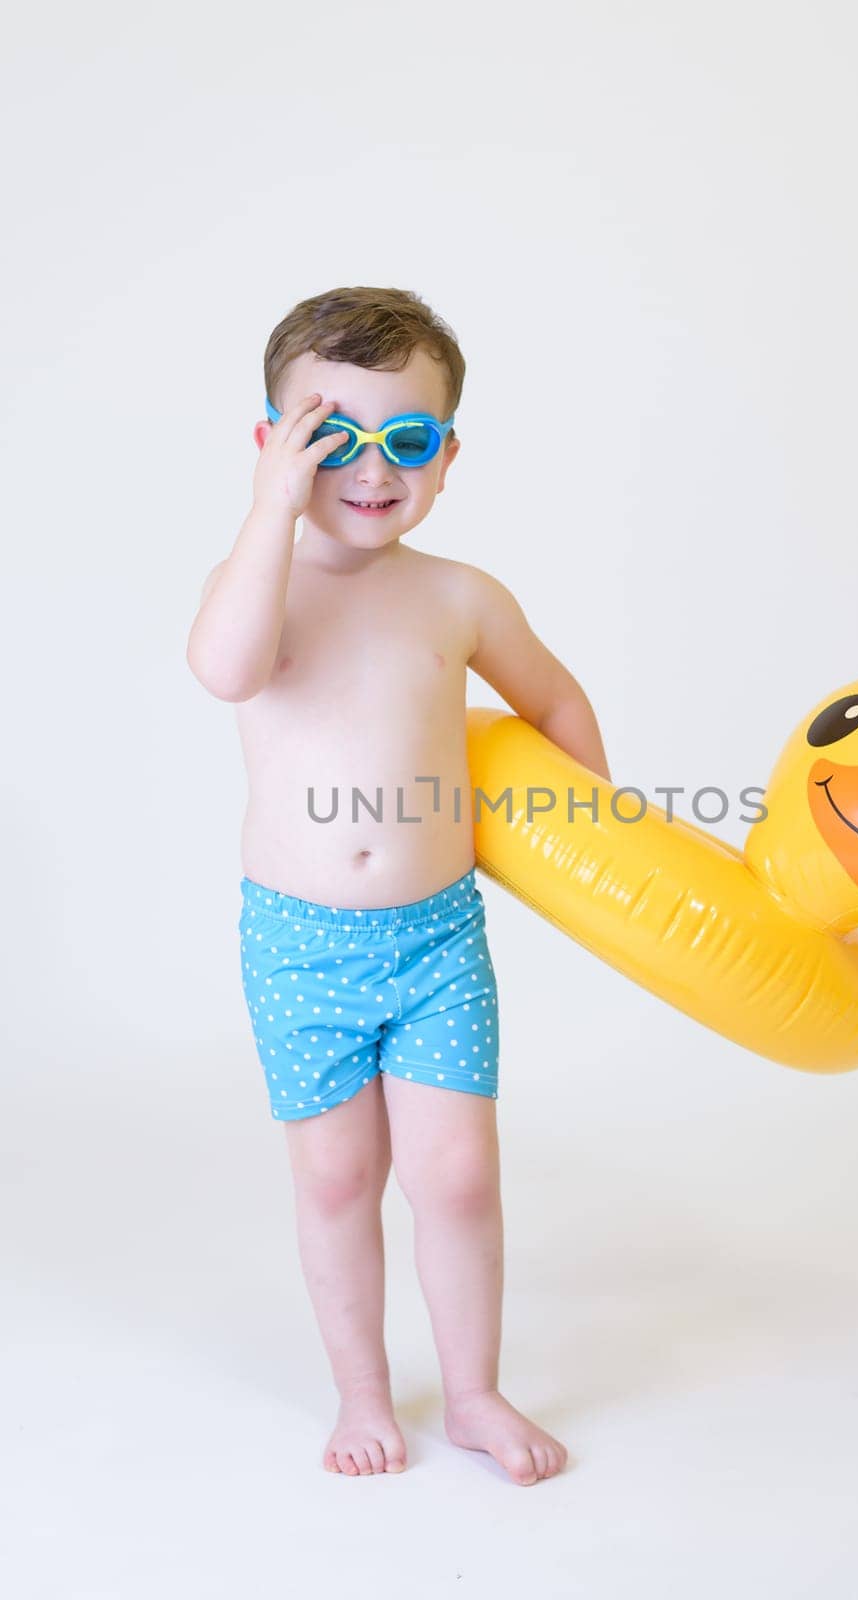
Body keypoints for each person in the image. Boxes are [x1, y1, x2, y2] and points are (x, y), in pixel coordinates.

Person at [186, 286, 611, 1487]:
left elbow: (558, 700)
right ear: (274, 444)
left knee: (459, 1173)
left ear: (447, 455)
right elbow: (224, 670)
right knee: (334, 1175)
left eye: (405, 440)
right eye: (330, 437)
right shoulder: (261, 588)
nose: (369, 469)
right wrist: (270, 513)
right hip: (298, 941)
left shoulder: (459, 595)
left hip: (435, 936)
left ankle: (472, 1390)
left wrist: (597, 846)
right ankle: (362, 1392)